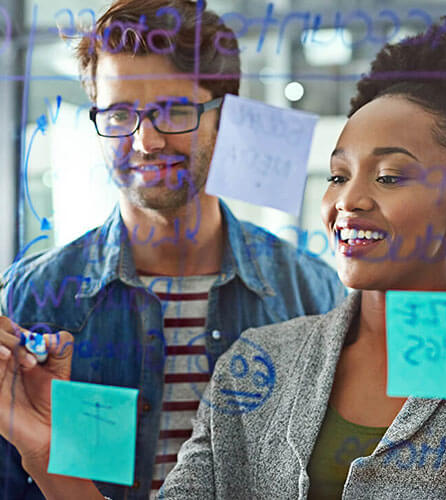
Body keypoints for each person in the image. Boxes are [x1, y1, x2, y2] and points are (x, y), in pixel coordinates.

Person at [0, 0, 345, 499]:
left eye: (173, 112)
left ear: (223, 119)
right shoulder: (34, 297)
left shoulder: (310, 292)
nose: (146, 141)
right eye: (119, 114)